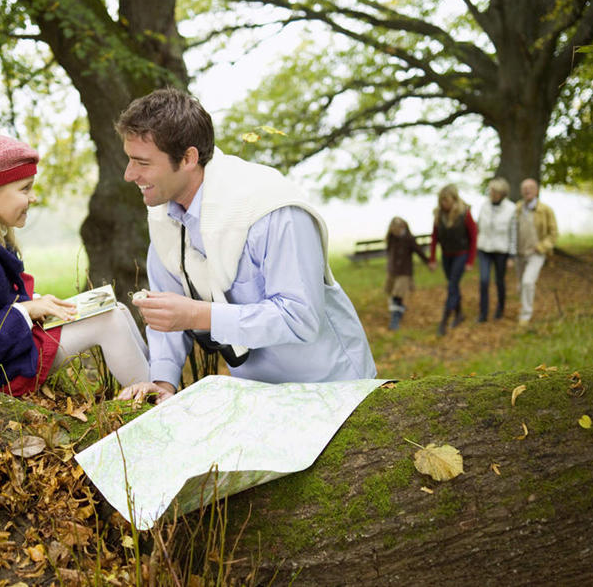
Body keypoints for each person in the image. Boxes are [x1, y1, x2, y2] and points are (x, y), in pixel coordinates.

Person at [114, 88, 376, 404]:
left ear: (188, 158)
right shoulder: (163, 218)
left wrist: (198, 315)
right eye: (130, 160)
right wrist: (163, 382)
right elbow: (166, 312)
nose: (129, 175)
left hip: (336, 388)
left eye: (141, 162)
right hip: (257, 396)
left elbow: (300, 318)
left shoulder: (273, 211)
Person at [0, 134, 149, 396]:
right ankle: (155, 407)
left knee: (115, 308)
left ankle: (154, 387)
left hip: (8, 352)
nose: (33, 198)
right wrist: (25, 311)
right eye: (25, 189)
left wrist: (36, 304)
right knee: (110, 320)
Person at [428, 184, 478, 336]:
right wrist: (432, 259)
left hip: (461, 255)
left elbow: (473, 237)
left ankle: (444, 320)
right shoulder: (439, 215)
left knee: (452, 286)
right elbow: (434, 237)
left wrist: (470, 261)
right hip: (446, 255)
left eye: (447, 201)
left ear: (454, 200)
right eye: (442, 201)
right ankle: (460, 314)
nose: (444, 204)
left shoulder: (465, 213)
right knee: (453, 286)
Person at [514, 178, 558, 326]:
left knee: (527, 282)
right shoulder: (517, 208)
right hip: (519, 253)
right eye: (524, 188)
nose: (527, 191)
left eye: (530, 188)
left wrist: (540, 247)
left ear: (536, 190)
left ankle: (525, 315)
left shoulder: (545, 210)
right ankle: (525, 307)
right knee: (521, 286)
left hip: (536, 254)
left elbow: (553, 234)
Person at [476, 177, 517, 322]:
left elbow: (513, 233)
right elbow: (479, 226)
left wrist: (512, 256)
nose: (492, 193)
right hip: (484, 249)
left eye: (495, 191)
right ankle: (483, 313)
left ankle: (500, 309)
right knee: (484, 280)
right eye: (491, 191)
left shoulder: (511, 208)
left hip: (501, 250)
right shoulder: (484, 206)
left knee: (499, 281)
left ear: (502, 193)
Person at [384, 216, 429, 330]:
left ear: (403, 227)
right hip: (393, 271)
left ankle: (395, 318)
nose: (395, 231)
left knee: (397, 294)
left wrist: (428, 262)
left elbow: (419, 251)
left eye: (397, 229)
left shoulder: (409, 239)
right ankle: (399, 309)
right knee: (392, 293)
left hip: (404, 272)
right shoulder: (391, 238)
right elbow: (389, 252)